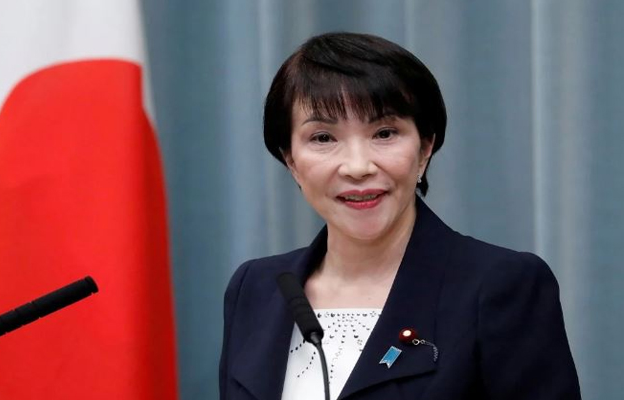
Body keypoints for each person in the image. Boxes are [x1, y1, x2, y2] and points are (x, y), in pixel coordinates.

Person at [219, 32, 580, 400]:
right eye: (323, 138)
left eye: (384, 133)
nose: (357, 167)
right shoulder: (256, 289)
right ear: (291, 161)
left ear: (424, 148)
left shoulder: (500, 286)